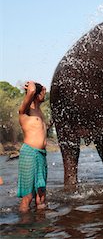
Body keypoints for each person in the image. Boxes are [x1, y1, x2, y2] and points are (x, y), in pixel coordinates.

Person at [17, 81, 48, 212]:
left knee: (41, 195)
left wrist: (42, 89)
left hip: (41, 155)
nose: (45, 94)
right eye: (42, 93)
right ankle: (24, 228)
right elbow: (30, 92)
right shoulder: (24, 111)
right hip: (29, 153)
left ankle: (41, 227)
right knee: (28, 196)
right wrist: (31, 86)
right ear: (35, 94)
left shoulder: (39, 111)